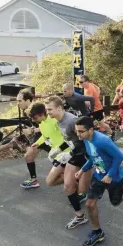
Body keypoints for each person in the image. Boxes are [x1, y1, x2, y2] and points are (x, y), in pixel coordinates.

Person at [74, 116, 123, 246]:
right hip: (99, 175)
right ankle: (97, 232)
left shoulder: (102, 141)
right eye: (76, 131)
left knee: (116, 202)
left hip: (113, 177)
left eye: (81, 131)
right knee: (89, 204)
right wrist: (82, 170)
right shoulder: (85, 139)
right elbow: (93, 158)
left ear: (90, 130)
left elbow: (119, 156)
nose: (78, 134)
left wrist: (110, 175)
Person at [44, 96, 90, 229]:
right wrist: (58, 149)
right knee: (60, 184)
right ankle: (79, 214)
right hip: (73, 154)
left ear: (59, 108)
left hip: (82, 156)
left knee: (78, 190)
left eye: (50, 109)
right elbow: (69, 140)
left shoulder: (71, 121)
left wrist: (69, 153)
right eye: (47, 110)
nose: (48, 112)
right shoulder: (59, 120)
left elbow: (85, 141)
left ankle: (81, 214)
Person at [22, 103, 72, 189]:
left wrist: (62, 149)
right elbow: (45, 135)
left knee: (60, 177)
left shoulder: (54, 120)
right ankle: (76, 182)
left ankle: (78, 183)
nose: (33, 120)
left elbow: (68, 135)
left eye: (35, 118)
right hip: (56, 152)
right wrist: (37, 143)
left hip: (66, 151)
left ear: (41, 114)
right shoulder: (42, 122)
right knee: (63, 175)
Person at [79, 75, 115, 141]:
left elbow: (88, 104)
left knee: (100, 123)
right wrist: (97, 96)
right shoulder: (90, 84)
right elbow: (98, 88)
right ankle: (110, 133)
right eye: (79, 82)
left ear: (86, 81)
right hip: (94, 108)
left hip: (96, 109)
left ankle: (111, 133)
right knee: (91, 123)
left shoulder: (89, 90)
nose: (80, 83)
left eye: (81, 82)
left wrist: (80, 102)